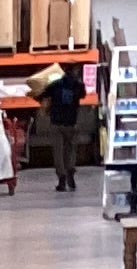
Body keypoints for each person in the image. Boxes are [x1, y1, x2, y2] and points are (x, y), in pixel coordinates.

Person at [43, 66, 87, 194]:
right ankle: (70, 172)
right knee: (71, 150)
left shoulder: (55, 84)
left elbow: (44, 94)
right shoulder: (78, 85)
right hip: (71, 123)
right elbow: (83, 95)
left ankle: (61, 176)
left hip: (56, 122)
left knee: (58, 151)